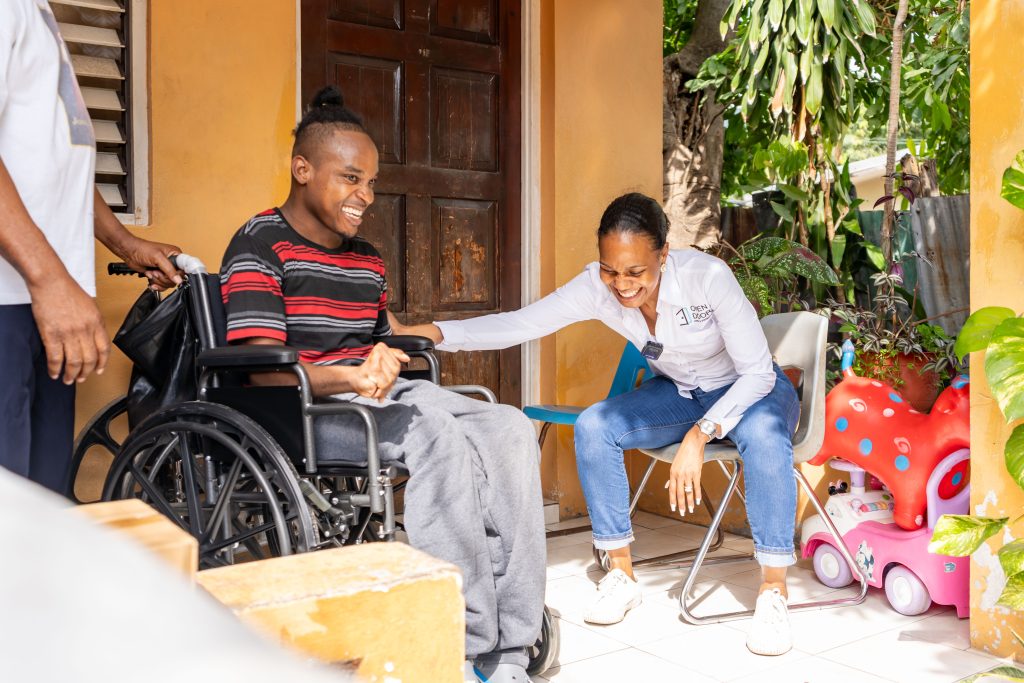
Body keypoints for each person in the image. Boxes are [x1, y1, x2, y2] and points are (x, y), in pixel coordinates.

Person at [220, 86, 545, 683]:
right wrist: (353, 372)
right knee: (436, 438)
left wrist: (388, 352)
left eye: (370, 182)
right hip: (298, 404)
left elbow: (380, 334)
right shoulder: (258, 245)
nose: (364, 196)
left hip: (375, 393)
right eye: (350, 179)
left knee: (509, 427)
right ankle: (467, 644)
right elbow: (262, 366)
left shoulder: (366, 258)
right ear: (302, 169)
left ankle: (514, 642)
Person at [400, 192, 803, 656]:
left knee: (766, 436)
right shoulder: (596, 286)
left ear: (664, 255)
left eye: (636, 272)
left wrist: (701, 433)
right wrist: (439, 333)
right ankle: (620, 574)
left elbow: (755, 372)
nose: (622, 285)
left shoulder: (707, 278)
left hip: (752, 390)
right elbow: (522, 323)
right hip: (682, 393)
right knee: (596, 424)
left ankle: (773, 589)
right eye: (611, 270)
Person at [0, 0, 181, 495]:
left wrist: (124, 243)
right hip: (14, 301)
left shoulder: (34, 11)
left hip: (44, 303)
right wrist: (51, 282)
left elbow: (56, 160)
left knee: (39, 503)